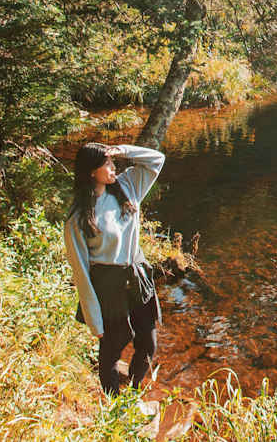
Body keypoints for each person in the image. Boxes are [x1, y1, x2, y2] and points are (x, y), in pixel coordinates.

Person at [64, 141, 166, 395]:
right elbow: (81, 273)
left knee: (148, 342)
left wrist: (122, 150)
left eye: (112, 162)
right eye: (106, 164)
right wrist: (94, 321)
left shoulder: (127, 186)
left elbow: (157, 159)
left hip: (137, 273)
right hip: (107, 284)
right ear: (91, 172)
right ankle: (113, 405)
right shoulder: (78, 217)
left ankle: (133, 391)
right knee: (111, 349)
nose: (113, 168)